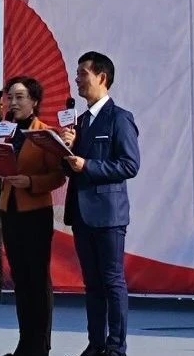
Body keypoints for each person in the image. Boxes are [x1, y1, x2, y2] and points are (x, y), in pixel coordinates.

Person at [60, 52, 140, 356]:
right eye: (77, 73)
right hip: (81, 213)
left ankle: (116, 347)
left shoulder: (119, 118)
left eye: (83, 74)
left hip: (108, 214)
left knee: (112, 281)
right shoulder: (79, 122)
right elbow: (71, 168)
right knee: (91, 284)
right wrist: (66, 149)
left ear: (102, 78)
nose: (77, 79)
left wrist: (88, 165)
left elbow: (129, 165)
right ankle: (96, 344)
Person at [0, 77, 67, 356]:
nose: (13, 102)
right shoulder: (3, 131)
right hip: (9, 210)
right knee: (20, 279)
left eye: (20, 97)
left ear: (34, 101)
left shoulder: (45, 134)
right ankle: (25, 343)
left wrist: (30, 182)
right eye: (10, 97)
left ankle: (40, 346)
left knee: (37, 278)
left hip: (36, 212)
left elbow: (58, 176)